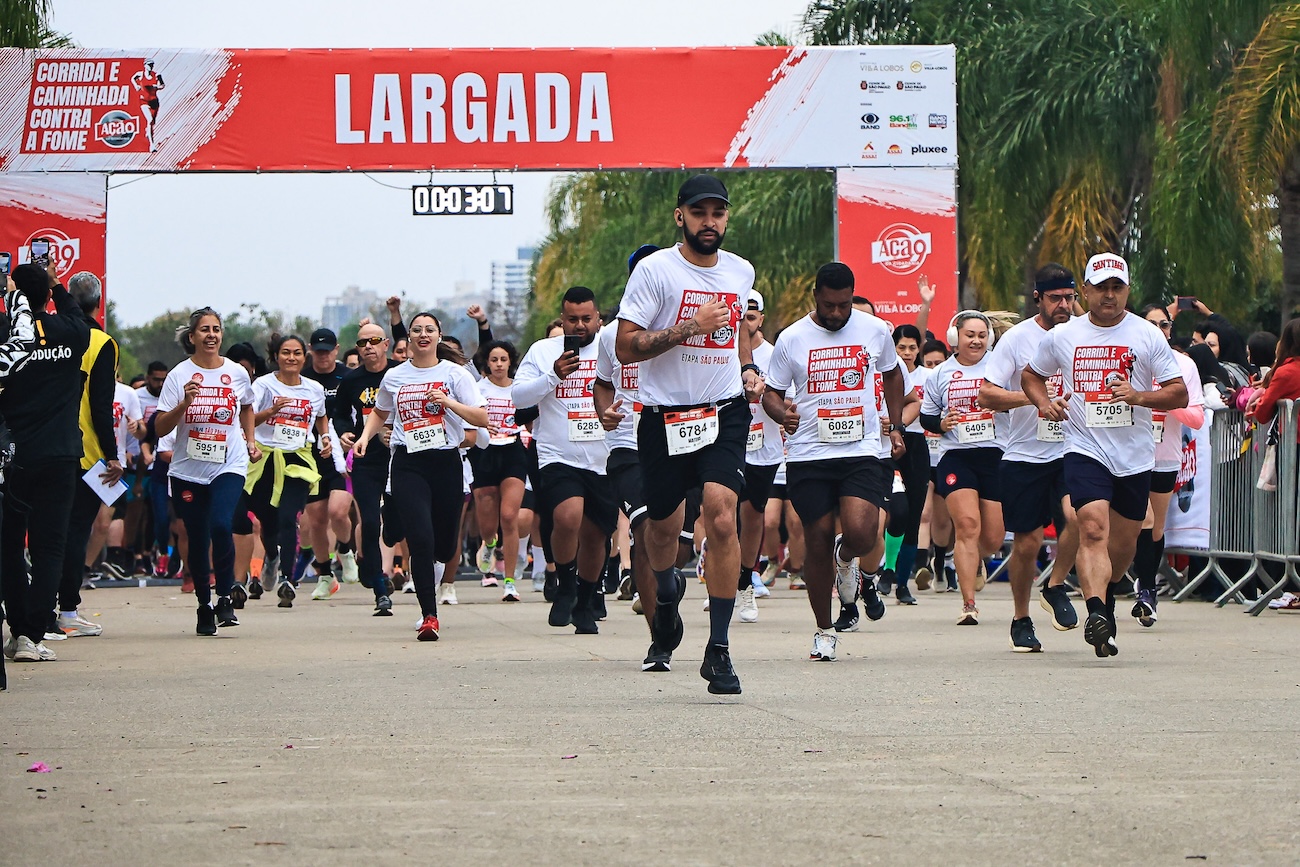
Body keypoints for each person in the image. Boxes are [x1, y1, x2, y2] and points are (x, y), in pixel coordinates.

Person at [615, 174, 763, 695]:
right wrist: (689, 327)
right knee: (661, 531)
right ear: (680, 216)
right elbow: (626, 348)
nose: (709, 222)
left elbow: (736, 334)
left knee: (722, 514)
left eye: (718, 213)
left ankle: (719, 649)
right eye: (699, 213)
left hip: (723, 411)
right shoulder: (655, 271)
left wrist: (747, 368)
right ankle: (666, 591)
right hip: (664, 417)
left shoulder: (740, 270)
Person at [1023, 253, 1187, 657]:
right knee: (1093, 528)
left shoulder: (1147, 335)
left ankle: (1107, 601)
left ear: (1128, 290)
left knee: (1124, 544)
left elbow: (1179, 392)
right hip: (1084, 447)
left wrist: (1139, 396)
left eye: (1117, 287)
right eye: (1101, 288)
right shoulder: (1064, 336)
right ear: (1085, 291)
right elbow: (1031, 375)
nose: (1109, 295)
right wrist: (1044, 403)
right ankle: (1096, 611)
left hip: (1134, 456)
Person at [763, 262, 906, 661]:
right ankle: (825, 630)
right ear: (816, 297)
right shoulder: (792, 338)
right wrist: (783, 414)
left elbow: (893, 375)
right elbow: (771, 393)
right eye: (829, 305)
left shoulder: (875, 330)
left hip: (861, 450)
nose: (837, 313)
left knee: (862, 534)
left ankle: (847, 558)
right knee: (817, 540)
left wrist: (896, 425)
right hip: (810, 454)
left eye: (844, 305)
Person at [354, 313, 487, 642]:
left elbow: (481, 417)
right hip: (408, 461)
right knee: (421, 540)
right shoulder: (395, 376)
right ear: (408, 338)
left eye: (429, 330)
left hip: (445, 461)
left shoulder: (455, 374)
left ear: (439, 336)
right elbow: (380, 412)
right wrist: (365, 437)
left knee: (444, 545)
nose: (423, 334)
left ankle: (398, 523)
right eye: (417, 330)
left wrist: (448, 402)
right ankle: (429, 615)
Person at [978, 264, 1081, 651]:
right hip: (1024, 454)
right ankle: (1021, 617)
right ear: (1038, 298)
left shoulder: (1084, 335)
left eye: (1069, 298)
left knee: (1078, 517)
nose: (1063, 305)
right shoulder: (1017, 339)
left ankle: (1056, 585)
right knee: (1027, 542)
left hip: (1074, 448)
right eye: (1055, 298)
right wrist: (1036, 398)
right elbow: (986, 395)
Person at [1, 262, 91, 663]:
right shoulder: (71, 331)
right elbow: (77, 314)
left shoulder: (7, 335)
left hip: (15, 457)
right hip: (60, 455)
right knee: (49, 547)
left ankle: (19, 630)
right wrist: (56, 283)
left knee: (9, 547)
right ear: (48, 293)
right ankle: (32, 635)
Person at [513, 287, 615, 634]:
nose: (580, 326)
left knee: (596, 534)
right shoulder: (543, 351)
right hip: (557, 453)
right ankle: (565, 584)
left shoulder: (613, 347)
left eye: (587, 318)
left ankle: (585, 601)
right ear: (562, 318)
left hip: (603, 456)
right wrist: (553, 375)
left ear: (598, 318)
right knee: (567, 516)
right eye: (573, 319)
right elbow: (518, 396)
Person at [154, 308, 259, 636]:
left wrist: (250, 441)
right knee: (197, 536)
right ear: (192, 337)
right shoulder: (179, 375)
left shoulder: (236, 372)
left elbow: (247, 406)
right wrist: (184, 404)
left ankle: (225, 596)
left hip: (229, 463)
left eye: (216, 329)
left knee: (221, 524)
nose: (211, 335)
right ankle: (204, 604)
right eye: (204, 330)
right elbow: (159, 428)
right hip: (187, 470)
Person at [920, 311, 1004, 626]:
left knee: (992, 538)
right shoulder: (941, 373)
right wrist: (941, 424)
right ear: (956, 337)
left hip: (995, 453)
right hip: (956, 455)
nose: (976, 341)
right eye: (970, 335)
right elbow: (927, 416)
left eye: (982, 335)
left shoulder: (1000, 367)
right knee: (967, 525)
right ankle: (969, 604)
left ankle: (977, 558)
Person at [55, 271, 122, 640]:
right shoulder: (101, 342)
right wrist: (112, 455)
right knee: (74, 532)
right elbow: (101, 405)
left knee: (48, 533)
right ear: (99, 303)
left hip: (42, 448)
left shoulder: (47, 334)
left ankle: (40, 611)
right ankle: (67, 611)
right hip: (85, 455)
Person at [244, 335, 330, 609]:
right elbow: (248, 418)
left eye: (297, 353)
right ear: (276, 357)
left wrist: (325, 437)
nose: (291, 358)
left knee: (288, 517)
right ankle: (271, 557)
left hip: (298, 459)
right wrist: (271, 411)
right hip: (265, 459)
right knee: (267, 522)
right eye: (285, 353)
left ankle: (288, 580)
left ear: (305, 357)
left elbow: (321, 416)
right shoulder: (263, 385)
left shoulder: (314, 389)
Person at [1131, 329, 1205, 627]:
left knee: (1155, 528)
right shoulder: (1125, 357)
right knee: (1143, 520)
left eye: (1163, 323)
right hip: (1127, 456)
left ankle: (1146, 586)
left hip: (1165, 456)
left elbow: (1197, 417)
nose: (1157, 330)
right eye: (1150, 324)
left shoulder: (1183, 365)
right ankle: (1143, 589)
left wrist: (1167, 401)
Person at [334, 322, 400, 615]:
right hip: (366, 459)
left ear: (386, 344)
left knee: (396, 523)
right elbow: (339, 415)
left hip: (400, 457)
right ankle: (380, 587)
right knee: (370, 523)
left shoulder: (400, 373)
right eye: (362, 343)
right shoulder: (351, 380)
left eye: (374, 341)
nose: (368, 347)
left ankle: (386, 552)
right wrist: (345, 433)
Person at [469, 340, 529, 602]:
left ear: (510, 362)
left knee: (509, 516)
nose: (499, 364)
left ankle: (510, 581)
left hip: (513, 451)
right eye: (494, 360)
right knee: (487, 524)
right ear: (487, 363)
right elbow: (468, 416)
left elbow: (531, 414)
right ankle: (490, 543)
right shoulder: (478, 389)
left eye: (503, 359)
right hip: (485, 452)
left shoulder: (519, 389)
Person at [302, 328, 358, 593]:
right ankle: (325, 574)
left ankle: (345, 549)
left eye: (327, 351)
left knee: (338, 511)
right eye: (318, 351)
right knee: (316, 519)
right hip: (312, 454)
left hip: (342, 453)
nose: (323, 356)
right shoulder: (303, 378)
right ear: (310, 350)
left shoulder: (348, 377)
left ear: (336, 350)